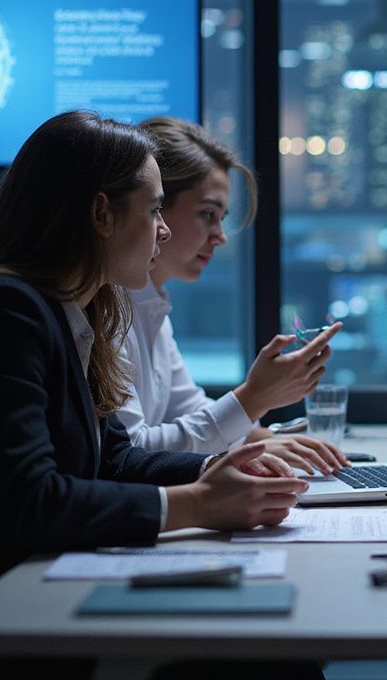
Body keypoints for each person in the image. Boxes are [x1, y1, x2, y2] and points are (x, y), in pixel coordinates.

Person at [0, 111, 374, 680]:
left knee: (269, 666)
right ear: (100, 214)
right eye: (154, 210)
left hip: (35, 591)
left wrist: (217, 471)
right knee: (258, 673)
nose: (160, 231)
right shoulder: (3, 311)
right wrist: (199, 501)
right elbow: (27, 501)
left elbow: (113, 456)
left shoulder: (68, 308)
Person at [119, 115, 347, 476]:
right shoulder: (109, 307)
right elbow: (129, 452)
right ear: (156, 205)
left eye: (221, 218)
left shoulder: (150, 304)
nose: (220, 236)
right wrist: (255, 397)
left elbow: (189, 407)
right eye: (207, 214)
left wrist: (261, 439)